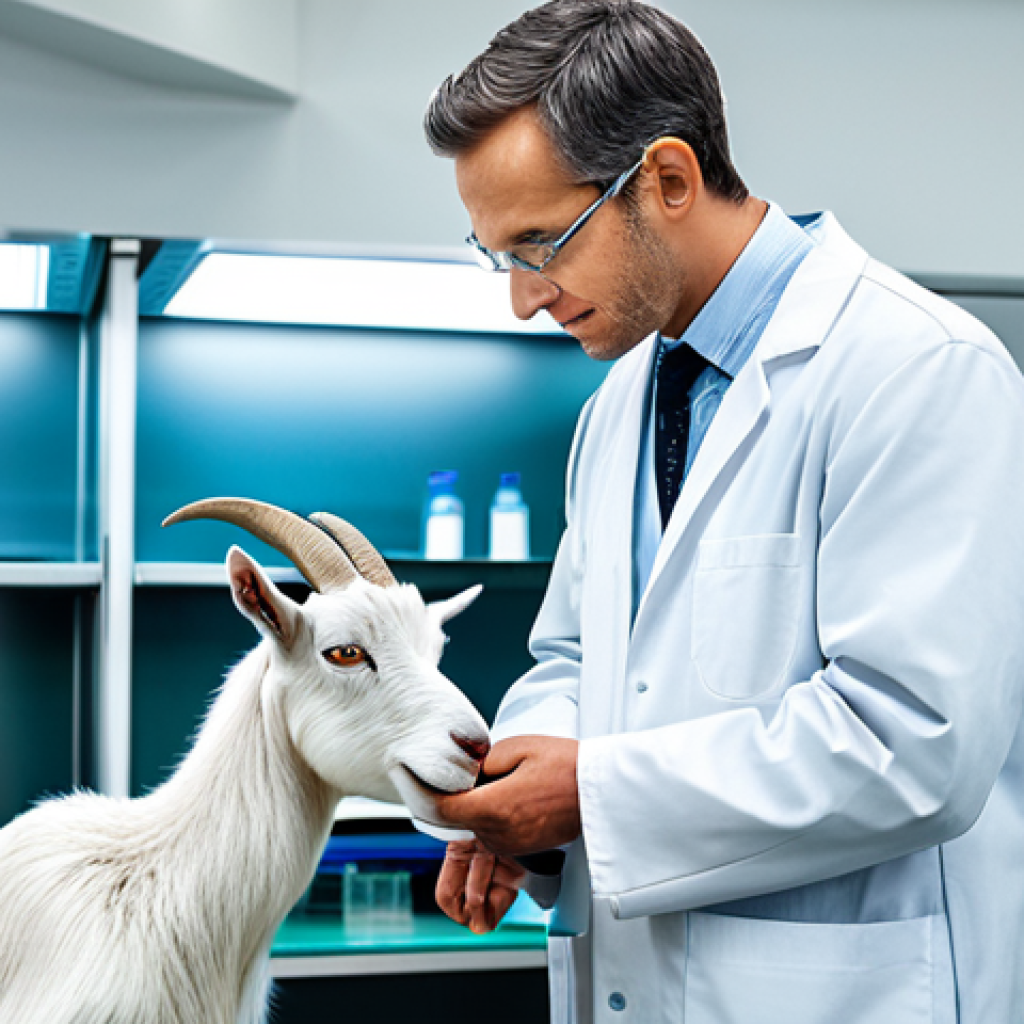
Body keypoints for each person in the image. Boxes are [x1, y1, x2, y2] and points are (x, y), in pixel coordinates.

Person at [421, 3, 1024, 1022]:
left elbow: (914, 742)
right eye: (499, 257)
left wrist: (591, 796)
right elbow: (575, 658)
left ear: (665, 180)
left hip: (850, 991)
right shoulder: (621, 404)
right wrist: (524, 798)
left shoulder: (917, 370)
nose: (524, 298)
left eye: (539, 244)